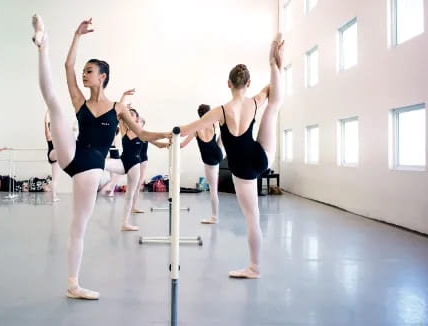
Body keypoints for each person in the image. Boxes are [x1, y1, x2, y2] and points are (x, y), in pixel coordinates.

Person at [31, 15, 169, 299]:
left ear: (102, 76)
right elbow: (67, 66)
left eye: (90, 71)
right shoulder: (80, 101)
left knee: (77, 226)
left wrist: (166, 136)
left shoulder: (118, 107)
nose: (84, 74)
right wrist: (76, 35)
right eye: (84, 71)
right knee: (56, 105)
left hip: (91, 168)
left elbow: (141, 134)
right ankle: (41, 44)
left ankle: (73, 284)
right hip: (74, 154)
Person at [179, 33, 284, 279]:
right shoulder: (256, 101)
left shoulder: (220, 111)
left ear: (228, 83)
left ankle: (254, 267)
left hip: (242, 170)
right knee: (274, 106)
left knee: (252, 218)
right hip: (262, 156)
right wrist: (276, 63)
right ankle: (254, 267)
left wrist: (156, 135)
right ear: (248, 84)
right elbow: (273, 90)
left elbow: (187, 129)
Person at [180, 104, 224, 224]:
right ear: (209, 113)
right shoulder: (214, 124)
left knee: (213, 190)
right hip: (218, 154)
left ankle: (214, 218)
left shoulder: (196, 128)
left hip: (209, 160)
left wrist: (171, 144)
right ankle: (224, 145)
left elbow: (183, 145)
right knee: (223, 133)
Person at [44, 111, 60, 201]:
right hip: (51, 154)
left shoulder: (57, 136)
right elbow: (46, 124)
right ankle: (54, 197)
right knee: (59, 150)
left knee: (55, 179)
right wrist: (47, 113)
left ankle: (50, 187)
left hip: (56, 159)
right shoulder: (49, 135)